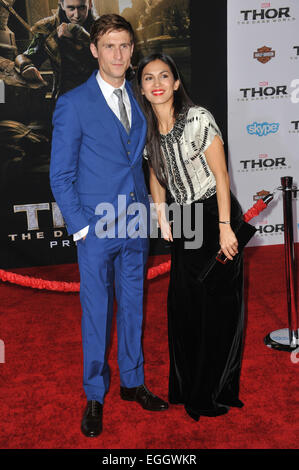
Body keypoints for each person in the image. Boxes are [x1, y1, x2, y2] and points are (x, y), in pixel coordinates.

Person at [50, 15, 168, 438]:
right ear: (94, 51)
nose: (118, 54)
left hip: (136, 225)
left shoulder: (140, 96)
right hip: (96, 230)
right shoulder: (73, 103)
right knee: (97, 313)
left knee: (134, 307)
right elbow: (61, 175)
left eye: (125, 46)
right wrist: (81, 229)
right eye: (110, 46)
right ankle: (95, 394)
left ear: (132, 50)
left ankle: (133, 383)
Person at [134, 53, 245, 421]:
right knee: (184, 308)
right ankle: (185, 388)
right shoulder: (149, 129)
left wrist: (226, 226)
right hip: (184, 220)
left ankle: (210, 392)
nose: (157, 83)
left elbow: (222, 176)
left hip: (216, 214)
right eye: (149, 78)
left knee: (217, 311)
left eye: (164, 75)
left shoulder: (198, 119)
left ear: (177, 82)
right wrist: (160, 212)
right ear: (143, 88)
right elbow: (155, 172)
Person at [14, 0, 98, 98]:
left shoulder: (102, 28)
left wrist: (78, 32)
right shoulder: (48, 28)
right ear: (62, 5)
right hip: (64, 98)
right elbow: (27, 56)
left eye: (82, 8)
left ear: (90, 4)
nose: (77, 15)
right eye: (71, 8)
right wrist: (26, 66)